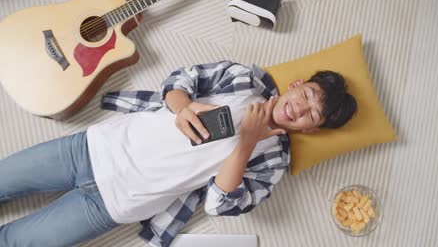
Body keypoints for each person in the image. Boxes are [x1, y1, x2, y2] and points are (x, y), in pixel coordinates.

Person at [0, 60, 357, 247]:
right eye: (306, 95)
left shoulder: (273, 162)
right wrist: (182, 106)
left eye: (313, 114)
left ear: (311, 129)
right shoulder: (244, 79)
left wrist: (246, 143)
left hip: (113, 204)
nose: (300, 108)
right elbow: (182, 79)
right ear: (296, 85)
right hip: (90, 150)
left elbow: (220, 205)